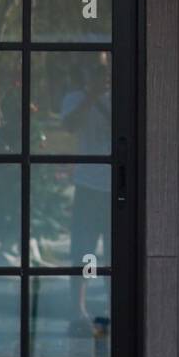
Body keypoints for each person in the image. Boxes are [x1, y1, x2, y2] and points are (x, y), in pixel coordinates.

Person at [60, 54, 111, 335]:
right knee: (82, 251)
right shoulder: (74, 98)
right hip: (88, 186)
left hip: (116, 186)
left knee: (115, 254)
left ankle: (113, 309)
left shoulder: (121, 96)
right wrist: (91, 97)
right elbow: (69, 126)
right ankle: (77, 311)